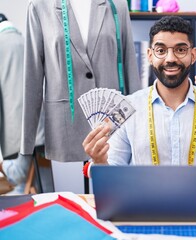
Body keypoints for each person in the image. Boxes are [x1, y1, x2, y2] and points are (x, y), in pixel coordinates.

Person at [83, 16, 196, 194]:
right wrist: (100, 161)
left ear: (193, 55)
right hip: (144, 214)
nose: (170, 58)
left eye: (180, 49)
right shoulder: (128, 108)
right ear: (150, 55)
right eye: (161, 50)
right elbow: (113, 182)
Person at [20, 0, 141, 192]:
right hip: (64, 127)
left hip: (111, 125)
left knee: (108, 204)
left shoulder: (117, 5)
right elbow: (32, 75)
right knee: (68, 206)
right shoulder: (39, 7)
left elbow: (129, 65)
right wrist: (27, 143)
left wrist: (139, 127)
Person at [0, 13, 45, 194]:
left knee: (18, 179)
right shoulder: (28, 42)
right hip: (41, 129)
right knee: (39, 186)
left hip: (15, 132)